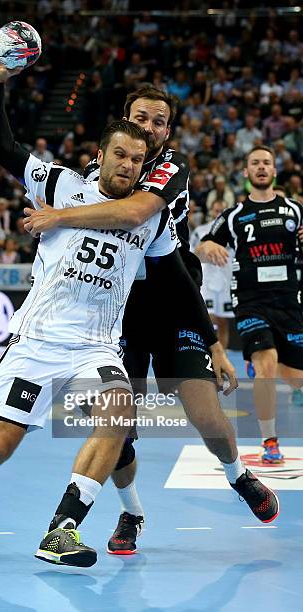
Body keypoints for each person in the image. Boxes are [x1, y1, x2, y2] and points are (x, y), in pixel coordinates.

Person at [0, 61, 175, 566]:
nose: (129, 165)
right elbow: (1, 147)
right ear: (101, 154)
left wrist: (209, 340)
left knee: (119, 411)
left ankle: (62, 529)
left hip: (95, 346)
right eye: (120, 154)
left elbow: (172, 278)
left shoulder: (151, 217)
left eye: (138, 159)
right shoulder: (61, 184)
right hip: (37, 341)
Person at [23, 86, 279, 555]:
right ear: (123, 120)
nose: (149, 126)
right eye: (140, 117)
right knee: (118, 428)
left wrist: (215, 345)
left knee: (209, 419)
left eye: (159, 121)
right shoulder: (92, 175)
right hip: (116, 314)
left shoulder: (171, 167)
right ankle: (132, 512)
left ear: (167, 132)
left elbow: (139, 215)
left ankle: (237, 474)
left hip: (173, 301)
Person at [196, 145, 303, 463]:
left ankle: (259, 365)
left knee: (293, 376)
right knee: (267, 363)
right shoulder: (235, 216)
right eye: (254, 163)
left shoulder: (294, 210)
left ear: (274, 170)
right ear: (245, 172)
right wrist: (209, 248)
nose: (260, 167)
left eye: (266, 163)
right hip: (250, 301)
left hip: (287, 301)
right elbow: (203, 243)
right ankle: (270, 440)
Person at [190, 200, 234, 349]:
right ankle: (208, 357)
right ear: (210, 211)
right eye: (216, 211)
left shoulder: (234, 231)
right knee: (208, 320)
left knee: (223, 322)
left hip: (226, 280)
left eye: (222, 211)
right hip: (207, 281)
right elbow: (192, 255)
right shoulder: (201, 231)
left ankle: (224, 357)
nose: (219, 214)